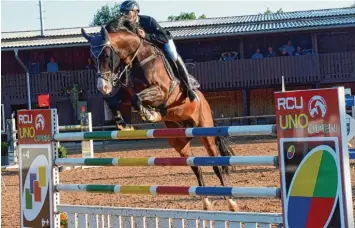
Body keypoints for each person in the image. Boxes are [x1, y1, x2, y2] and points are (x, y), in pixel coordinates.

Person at [119, 0, 197, 101]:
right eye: (122, 13)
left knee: (173, 55)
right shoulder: (125, 26)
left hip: (163, 42)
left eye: (127, 12)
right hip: (147, 50)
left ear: (135, 12)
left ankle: (188, 87)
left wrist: (146, 36)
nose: (124, 15)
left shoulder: (148, 21)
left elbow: (163, 37)